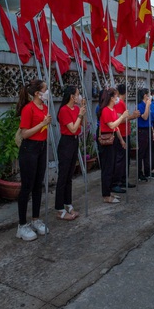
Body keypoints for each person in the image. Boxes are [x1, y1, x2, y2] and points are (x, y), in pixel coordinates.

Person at [16, 79, 52, 241]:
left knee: (38, 185)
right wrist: (42, 124)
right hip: (29, 149)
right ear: (37, 93)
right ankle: (22, 225)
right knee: (27, 186)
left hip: (41, 148)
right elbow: (24, 133)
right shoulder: (28, 109)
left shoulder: (45, 108)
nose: (47, 92)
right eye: (45, 89)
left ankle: (35, 219)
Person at [55, 86, 85, 221]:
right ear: (72, 97)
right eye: (77, 95)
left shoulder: (77, 109)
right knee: (63, 176)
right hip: (66, 142)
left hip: (74, 142)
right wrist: (79, 115)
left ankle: (68, 203)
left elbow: (81, 125)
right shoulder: (64, 110)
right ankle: (59, 207)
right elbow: (72, 128)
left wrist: (82, 112)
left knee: (69, 176)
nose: (79, 97)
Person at [98, 88, 129, 204]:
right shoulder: (105, 110)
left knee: (111, 168)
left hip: (113, 139)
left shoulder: (112, 110)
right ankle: (106, 195)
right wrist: (122, 117)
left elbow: (116, 128)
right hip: (107, 141)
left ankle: (109, 191)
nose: (117, 99)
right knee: (107, 169)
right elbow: (112, 125)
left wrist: (121, 140)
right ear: (111, 98)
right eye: (116, 96)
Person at [112, 84, 139, 193]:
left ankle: (123, 179)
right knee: (120, 159)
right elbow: (120, 119)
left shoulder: (121, 103)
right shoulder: (119, 103)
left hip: (125, 133)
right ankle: (116, 182)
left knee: (125, 159)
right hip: (121, 134)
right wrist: (133, 116)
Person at [136, 88, 154, 181]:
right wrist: (147, 106)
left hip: (148, 129)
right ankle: (139, 173)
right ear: (145, 95)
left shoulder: (148, 105)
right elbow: (145, 117)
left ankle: (148, 172)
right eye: (148, 95)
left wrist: (153, 131)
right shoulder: (140, 105)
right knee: (142, 152)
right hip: (142, 130)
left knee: (148, 152)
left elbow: (150, 119)